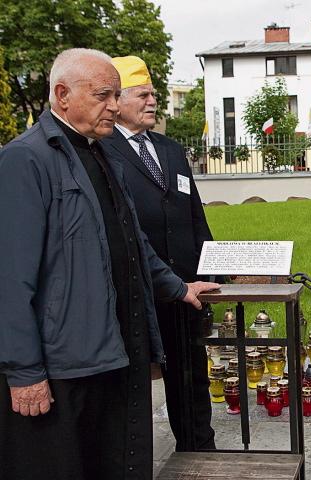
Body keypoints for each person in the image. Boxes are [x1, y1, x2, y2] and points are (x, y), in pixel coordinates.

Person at [0, 48, 219, 480]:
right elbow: (10, 279)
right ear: (62, 95)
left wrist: (178, 287)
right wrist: (24, 372)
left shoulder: (101, 154)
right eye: (103, 95)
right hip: (63, 367)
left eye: (117, 95)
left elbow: (131, 244)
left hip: (113, 352)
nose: (115, 107)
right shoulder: (25, 159)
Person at [101, 55, 215, 451]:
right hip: (139, 289)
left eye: (154, 94)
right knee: (135, 381)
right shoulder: (102, 150)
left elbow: (195, 215)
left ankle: (199, 447)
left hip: (186, 288)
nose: (152, 102)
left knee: (191, 375)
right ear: (117, 100)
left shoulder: (170, 149)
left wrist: (214, 271)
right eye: (142, 95)